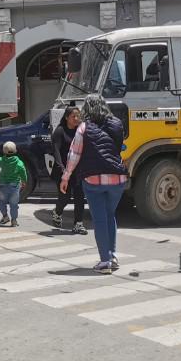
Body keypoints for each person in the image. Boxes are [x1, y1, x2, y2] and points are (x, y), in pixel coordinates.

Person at [61, 94, 128, 274]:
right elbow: (117, 148)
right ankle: (112, 256)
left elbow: (74, 155)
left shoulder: (83, 128)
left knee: (99, 219)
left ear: (86, 108)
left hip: (93, 180)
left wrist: (66, 177)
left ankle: (105, 262)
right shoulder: (117, 124)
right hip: (117, 179)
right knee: (109, 215)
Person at [51, 106, 88, 235]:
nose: (77, 119)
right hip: (63, 170)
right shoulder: (59, 132)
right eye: (73, 116)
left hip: (78, 170)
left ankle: (78, 224)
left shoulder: (81, 130)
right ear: (66, 117)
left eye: (78, 116)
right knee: (65, 197)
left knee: (79, 197)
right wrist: (62, 169)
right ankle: (57, 212)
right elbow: (56, 152)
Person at [0, 141, 28, 226]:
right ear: (15, 150)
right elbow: (23, 174)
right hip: (15, 187)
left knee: (2, 203)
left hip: (3, 186)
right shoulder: (19, 163)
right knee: (14, 205)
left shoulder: (1, 160)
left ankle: (5, 216)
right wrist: (24, 181)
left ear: (3, 151)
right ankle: (14, 220)